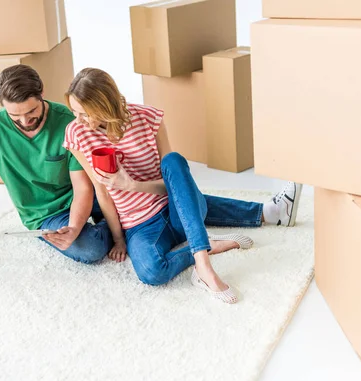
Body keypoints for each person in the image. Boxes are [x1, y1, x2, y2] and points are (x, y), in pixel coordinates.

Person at [63, 68, 303, 304]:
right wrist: (119, 240)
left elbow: (173, 182)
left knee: (174, 161)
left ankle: (203, 267)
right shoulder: (77, 134)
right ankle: (213, 241)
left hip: (175, 206)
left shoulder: (148, 118)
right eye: (75, 112)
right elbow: (102, 192)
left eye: (85, 113)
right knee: (151, 272)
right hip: (139, 225)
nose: (80, 120)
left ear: (104, 105)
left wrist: (132, 184)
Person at [0, 65, 113, 264]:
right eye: (15, 116)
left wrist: (76, 227)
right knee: (90, 250)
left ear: (42, 93)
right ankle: (112, 227)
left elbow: (82, 187)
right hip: (47, 213)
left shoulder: (67, 121)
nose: (25, 121)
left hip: (87, 194)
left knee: (131, 205)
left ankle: (117, 226)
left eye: (31, 111)